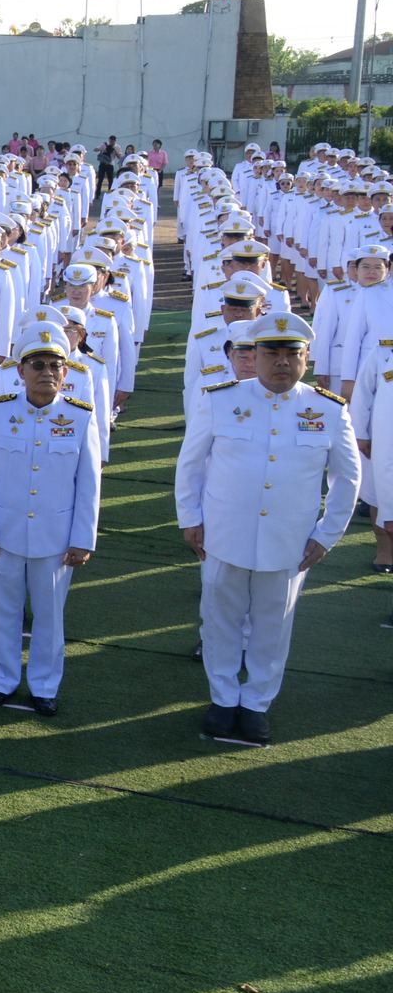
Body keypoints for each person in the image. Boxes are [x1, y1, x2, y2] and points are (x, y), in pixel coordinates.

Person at [174, 312, 359, 744]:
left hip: (290, 540)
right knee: (219, 619)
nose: (281, 361)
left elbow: (348, 478)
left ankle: (256, 702)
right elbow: (191, 463)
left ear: (306, 359)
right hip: (223, 532)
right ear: (252, 357)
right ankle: (222, 698)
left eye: (291, 353)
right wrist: (191, 519)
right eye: (271, 352)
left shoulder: (327, 409)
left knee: (273, 625)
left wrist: (326, 534)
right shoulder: (220, 399)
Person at [0, 322, 101, 716]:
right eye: (37, 364)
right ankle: (2, 680)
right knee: (4, 612)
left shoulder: (80, 417)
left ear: (66, 371)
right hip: (2, 533)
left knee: (49, 616)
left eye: (55, 365)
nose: (47, 372)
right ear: (20, 371)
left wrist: (83, 538)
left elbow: (89, 483)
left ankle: (44, 685)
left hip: (56, 536)